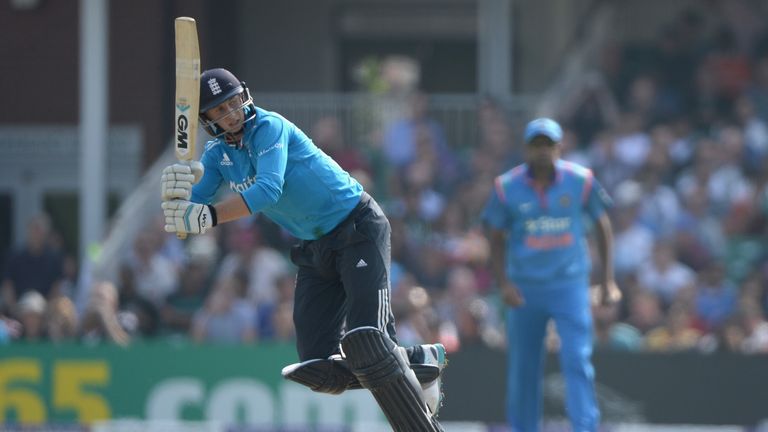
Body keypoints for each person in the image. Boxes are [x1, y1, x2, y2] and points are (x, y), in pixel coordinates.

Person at [160, 68, 446, 430]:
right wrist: (176, 198)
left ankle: (407, 395)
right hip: (314, 246)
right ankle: (417, 360)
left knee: (368, 341)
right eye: (220, 110)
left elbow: (267, 191)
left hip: (357, 227)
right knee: (318, 368)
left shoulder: (269, 127)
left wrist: (208, 216)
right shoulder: (217, 155)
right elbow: (188, 220)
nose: (231, 113)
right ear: (206, 119)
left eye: (233, 103)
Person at [481, 118, 620, 432]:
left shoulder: (580, 180)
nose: (543, 150)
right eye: (536, 144)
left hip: (569, 285)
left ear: (560, 147)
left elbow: (603, 225)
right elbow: (495, 236)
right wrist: (503, 283)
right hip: (524, 289)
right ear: (526, 149)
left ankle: (585, 428)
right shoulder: (506, 187)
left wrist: (608, 280)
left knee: (577, 358)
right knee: (524, 367)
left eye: (548, 144)